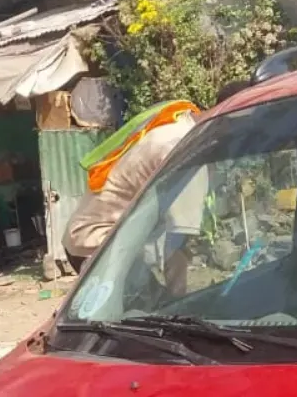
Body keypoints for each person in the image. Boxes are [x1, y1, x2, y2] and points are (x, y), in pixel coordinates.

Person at [64, 101, 206, 277]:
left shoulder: (178, 118)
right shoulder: (184, 147)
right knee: (148, 301)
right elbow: (177, 241)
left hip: (92, 234)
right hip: (98, 243)